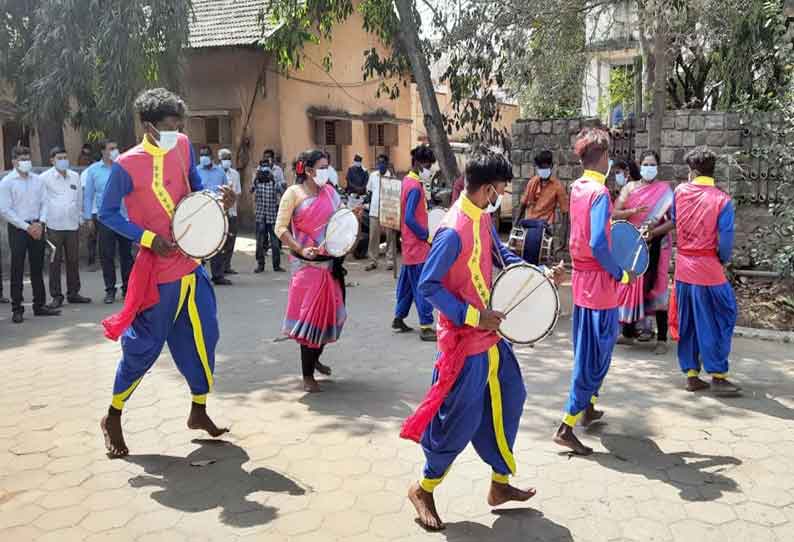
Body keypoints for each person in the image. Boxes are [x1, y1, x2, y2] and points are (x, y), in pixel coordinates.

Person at [402, 148, 565, 531]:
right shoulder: (454, 229)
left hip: (491, 336)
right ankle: (423, 488)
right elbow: (428, 285)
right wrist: (475, 316)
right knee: (459, 420)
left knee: (512, 397)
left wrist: (539, 273)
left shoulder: (480, 217)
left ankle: (499, 485)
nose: (502, 198)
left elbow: (501, 254)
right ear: (487, 189)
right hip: (464, 342)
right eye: (501, 191)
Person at [98, 87, 235, 458]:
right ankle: (113, 415)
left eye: (179, 125)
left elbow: (195, 186)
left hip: (192, 264)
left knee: (206, 336)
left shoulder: (184, 145)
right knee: (144, 347)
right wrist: (147, 237)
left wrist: (217, 199)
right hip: (157, 273)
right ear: (148, 126)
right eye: (169, 126)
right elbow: (107, 213)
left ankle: (199, 410)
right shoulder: (126, 165)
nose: (176, 132)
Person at [553, 127, 635, 456]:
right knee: (596, 355)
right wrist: (620, 272)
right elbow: (599, 242)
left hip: (583, 282)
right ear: (602, 157)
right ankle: (565, 426)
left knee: (586, 348)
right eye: (610, 155)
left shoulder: (578, 188)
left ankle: (587, 407)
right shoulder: (600, 193)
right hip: (600, 283)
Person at [276, 149, 357, 392]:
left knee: (330, 317)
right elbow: (280, 228)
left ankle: (316, 357)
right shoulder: (293, 194)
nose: (327, 171)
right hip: (306, 266)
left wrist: (353, 217)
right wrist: (301, 248)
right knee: (310, 321)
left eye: (327, 166)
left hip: (331, 265)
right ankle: (307, 375)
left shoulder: (331, 192)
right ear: (309, 170)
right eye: (322, 167)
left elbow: (341, 220)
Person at [671, 147, 740, 394]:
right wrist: (722, 259)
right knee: (721, 316)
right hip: (708, 269)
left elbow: (675, 219)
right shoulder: (723, 200)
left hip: (682, 269)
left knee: (688, 320)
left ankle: (691, 374)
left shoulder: (679, 192)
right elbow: (726, 241)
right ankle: (718, 375)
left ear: (692, 171)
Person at [613, 150, 674, 354]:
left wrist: (653, 232)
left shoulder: (665, 190)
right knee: (631, 284)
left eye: (652, 164)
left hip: (658, 246)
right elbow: (615, 213)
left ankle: (662, 338)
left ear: (658, 167)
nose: (649, 168)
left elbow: (673, 221)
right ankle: (628, 333)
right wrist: (631, 213)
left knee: (658, 287)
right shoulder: (629, 188)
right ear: (640, 166)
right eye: (646, 164)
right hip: (633, 245)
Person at [0, 146, 61, 323]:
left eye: (27, 158)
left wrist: (40, 223)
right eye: (22, 159)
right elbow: (5, 211)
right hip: (19, 229)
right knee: (17, 268)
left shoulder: (37, 180)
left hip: (37, 226)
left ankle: (39, 305)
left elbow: (45, 203)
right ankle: (17, 308)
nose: (26, 162)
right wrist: (27, 227)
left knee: (37, 267)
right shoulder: (7, 182)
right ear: (13, 161)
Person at [392, 144, 437, 342]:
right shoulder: (415, 187)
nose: (429, 169)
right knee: (423, 286)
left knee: (407, 286)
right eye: (427, 165)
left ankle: (399, 317)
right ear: (418, 163)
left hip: (409, 246)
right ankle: (426, 326)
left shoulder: (407, 182)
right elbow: (410, 217)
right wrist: (425, 234)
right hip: (418, 247)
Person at [40, 146, 91, 308]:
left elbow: (79, 199)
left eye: (65, 157)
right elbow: (41, 201)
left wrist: (81, 218)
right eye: (59, 158)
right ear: (52, 160)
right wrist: (43, 222)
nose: (63, 161)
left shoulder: (75, 176)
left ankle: (74, 293)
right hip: (53, 225)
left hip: (72, 225)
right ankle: (56, 296)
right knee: (54, 261)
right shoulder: (44, 178)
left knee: (73, 260)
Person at [84, 139, 132, 304]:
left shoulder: (125, 166)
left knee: (127, 255)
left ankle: (128, 288)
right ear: (103, 152)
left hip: (125, 218)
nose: (115, 151)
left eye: (116, 147)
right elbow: (88, 195)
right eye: (111, 148)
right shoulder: (93, 170)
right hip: (105, 219)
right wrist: (88, 218)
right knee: (106, 255)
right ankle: (110, 290)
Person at [196, 145, 232, 286]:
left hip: (217, 210)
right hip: (200, 211)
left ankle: (218, 275)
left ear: (211, 156)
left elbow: (226, 190)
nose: (203, 157)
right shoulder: (196, 171)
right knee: (200, 244)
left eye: (206, 154)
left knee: (217, 242)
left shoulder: (220, 172)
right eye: (201, 154)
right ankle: (199, 274)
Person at [252, 153, 286, 273]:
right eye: (263, 167)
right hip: (261, 215)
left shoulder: (273, 181)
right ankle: (260, 265)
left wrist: (273, 179)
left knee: (275, 242)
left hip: (272, 214)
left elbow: (283, 192)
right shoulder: (257, 179)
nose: (265, 170)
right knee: (260, 242)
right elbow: (251, 190)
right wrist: (257, 178)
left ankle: (276, 265)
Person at [517, 150, 569, 224]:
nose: (542, 170)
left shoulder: (557, 186)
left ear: (551, 165)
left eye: (544, 167)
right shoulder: (532, 182)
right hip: (529, 222)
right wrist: (515, 226)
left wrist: (563, 235)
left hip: (545, 225)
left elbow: (565, 212)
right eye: (540, 168)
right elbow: (522, 205)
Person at [364, 154, 395, 272]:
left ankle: (390, 260)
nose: (380, 165)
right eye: (379, 163)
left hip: (388, 210)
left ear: (387, 164)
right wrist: (369, 204)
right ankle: (373, 261)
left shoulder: (391, 176)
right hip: (374, 210)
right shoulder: (373, 176)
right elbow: (370, 192)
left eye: (383, 163)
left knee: (390, 236)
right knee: (373, 236)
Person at [218, 148, 241, 275]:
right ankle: (218, 267)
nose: (226, 160)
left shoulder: (235, 174)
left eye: (228, 158)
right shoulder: (216, 172)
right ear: (219, 159)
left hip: (232, 212)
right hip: (219, 213)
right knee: (220, 240)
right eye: (224, 158)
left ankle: (227, 265)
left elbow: (237, 193)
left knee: (231, 240)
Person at [80, 165, 99, 270]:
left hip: (101, 211)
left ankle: (102, 262)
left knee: (104, 239)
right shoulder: (86, 173)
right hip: (91, 211)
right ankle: (91, 261)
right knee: (91, 237)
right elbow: (83, 193)